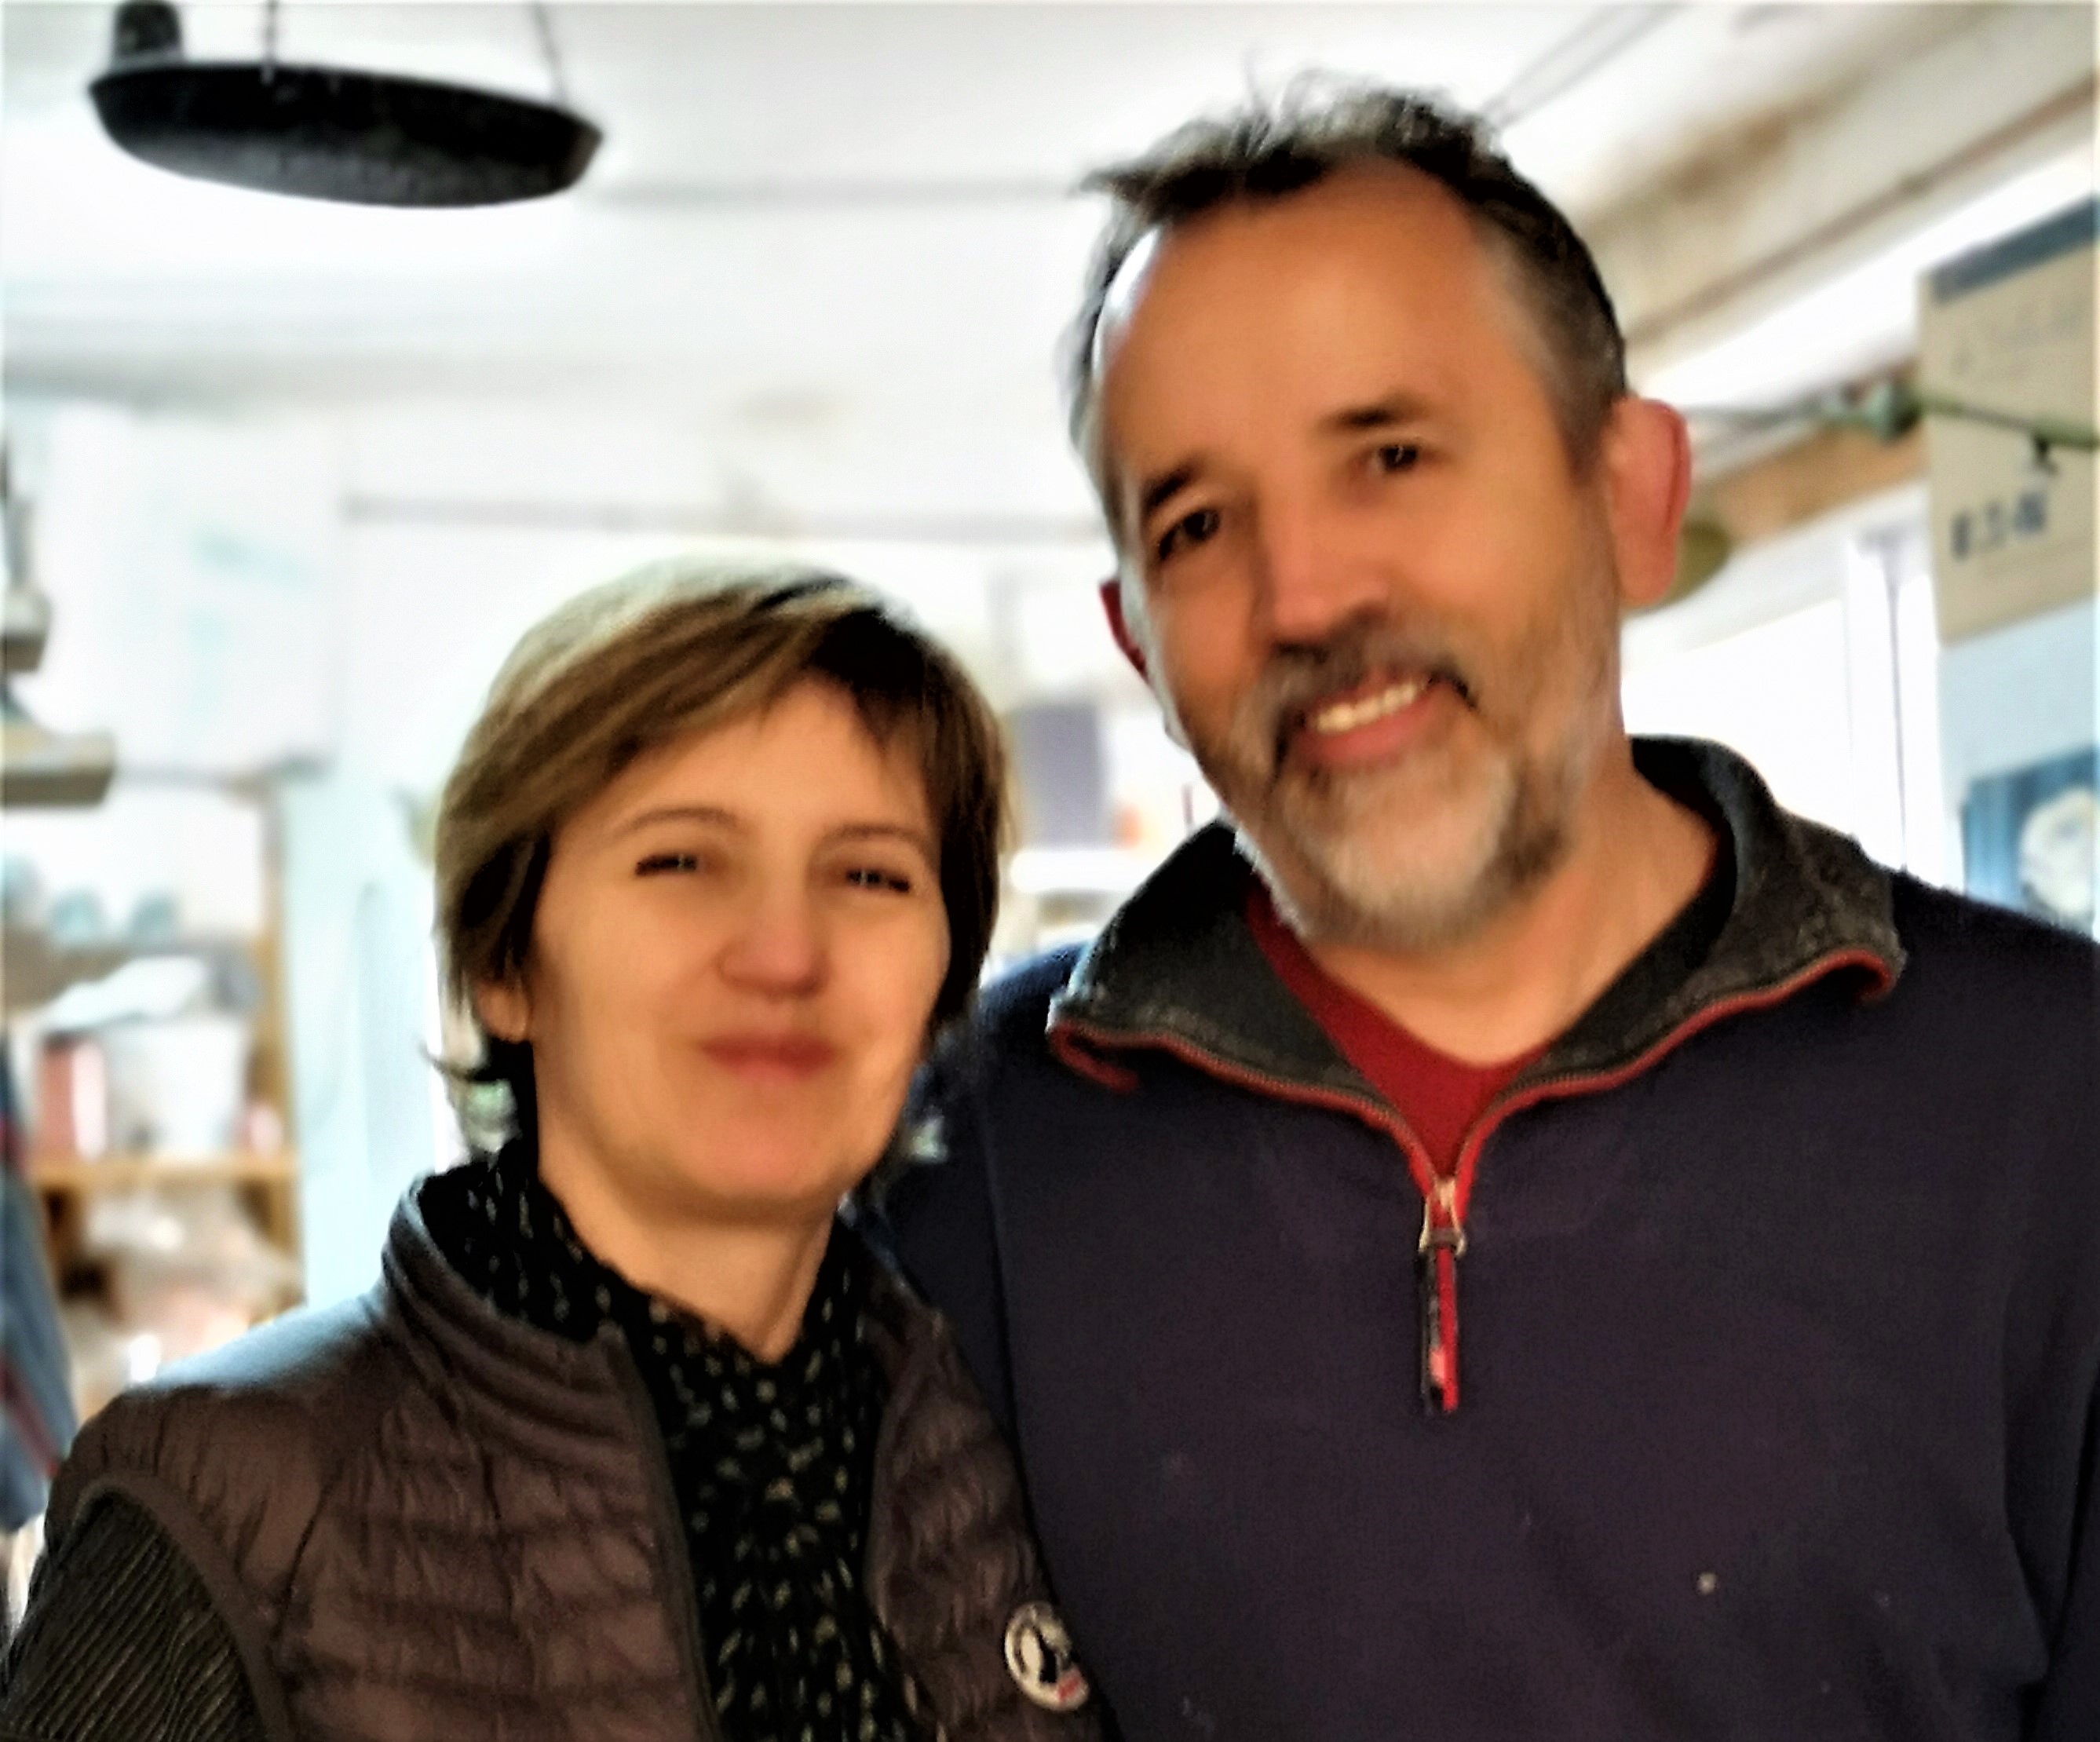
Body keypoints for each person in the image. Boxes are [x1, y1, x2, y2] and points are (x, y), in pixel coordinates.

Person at [882, 85, 2100, 1740]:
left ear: (1631, 497)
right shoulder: (962, 1162)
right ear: (1137, 645)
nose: (1307, 595)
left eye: (1390, 456)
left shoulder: (2055, 1113)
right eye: (1199, 524)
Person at [1, 564, 1105, 1742]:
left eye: (870, 875)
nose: (786, 953)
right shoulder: (228, 1512)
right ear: (505, 967)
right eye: (683, 862)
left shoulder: (994, 1440)